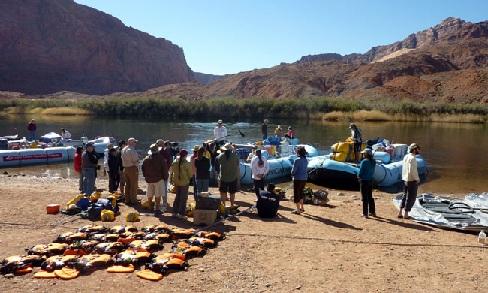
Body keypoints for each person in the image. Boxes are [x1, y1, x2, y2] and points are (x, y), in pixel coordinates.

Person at [142, 144, 169, 214]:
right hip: (158, 179)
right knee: (158, 194)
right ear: (157, 150)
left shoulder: (146, 158)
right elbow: (165, 169)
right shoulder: (161, 158)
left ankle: (150, 207)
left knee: (150, 193)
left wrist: (145, 176)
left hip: (149, 179)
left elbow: (143, 168)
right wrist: (165, 178)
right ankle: (157, 208)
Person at [398, 143, 421, 220]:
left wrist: (404, 177)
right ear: (414, 149)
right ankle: (406, 214)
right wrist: (417, 179)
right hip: (412, 180)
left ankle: (400, 212)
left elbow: (404, 168)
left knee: (404, 195)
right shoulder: (413, 158)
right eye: (418, 149)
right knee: (411, 197)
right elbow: (412, 170)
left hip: (405, 179)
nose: (419, 150)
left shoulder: (406, 156)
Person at [170, 149, 192, 219]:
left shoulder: (175, 161)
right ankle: (181, 214)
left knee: (177, 197)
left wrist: (171, 180)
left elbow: (171, 172)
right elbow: (190, 174)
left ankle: (174, 212)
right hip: (184, 182)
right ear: (185, 155)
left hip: (176, 182)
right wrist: (189, 179)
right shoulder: (186, 163)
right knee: (183, 198)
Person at [217, 143, 240, 208]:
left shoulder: (220, 156)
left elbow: (217, 164)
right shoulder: (235, 156)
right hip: (233, 177)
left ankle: (223, 205)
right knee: (232, 193)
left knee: (223, 193)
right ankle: (232, 205)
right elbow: (237, 166)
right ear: (230, 150)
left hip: (223, 177)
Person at [358, 148, 376, 218]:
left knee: (364, 197)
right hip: (370, 180)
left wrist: (358, 176)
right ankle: (372, 212)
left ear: (366, 154)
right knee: (370, 197)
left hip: (364, 181)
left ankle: (365, 214)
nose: (363, 155)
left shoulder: (364, 161)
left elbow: (360, 172)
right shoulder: (373, 161)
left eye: (364, 154)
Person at [121, 138, 140, 206]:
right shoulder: (132, 150)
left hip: (125, 168)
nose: (135, 143)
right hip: (132, 168)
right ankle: (133, 200)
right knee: (133, 185)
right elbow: (135, 160)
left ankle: (127, 199)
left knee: (127, 185)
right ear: (131, 143)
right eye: (135, 142)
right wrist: (138, 160)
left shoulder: (123, 149)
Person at [291, 146, 308, 214]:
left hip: (298, 179)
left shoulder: (297, 160)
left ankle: (298, 210)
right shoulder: (306, 160)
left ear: (298, 153)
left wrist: (292, 174)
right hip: (304, 178)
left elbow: (293, 171)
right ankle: (302, 208)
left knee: (296, 194)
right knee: (301, 193)